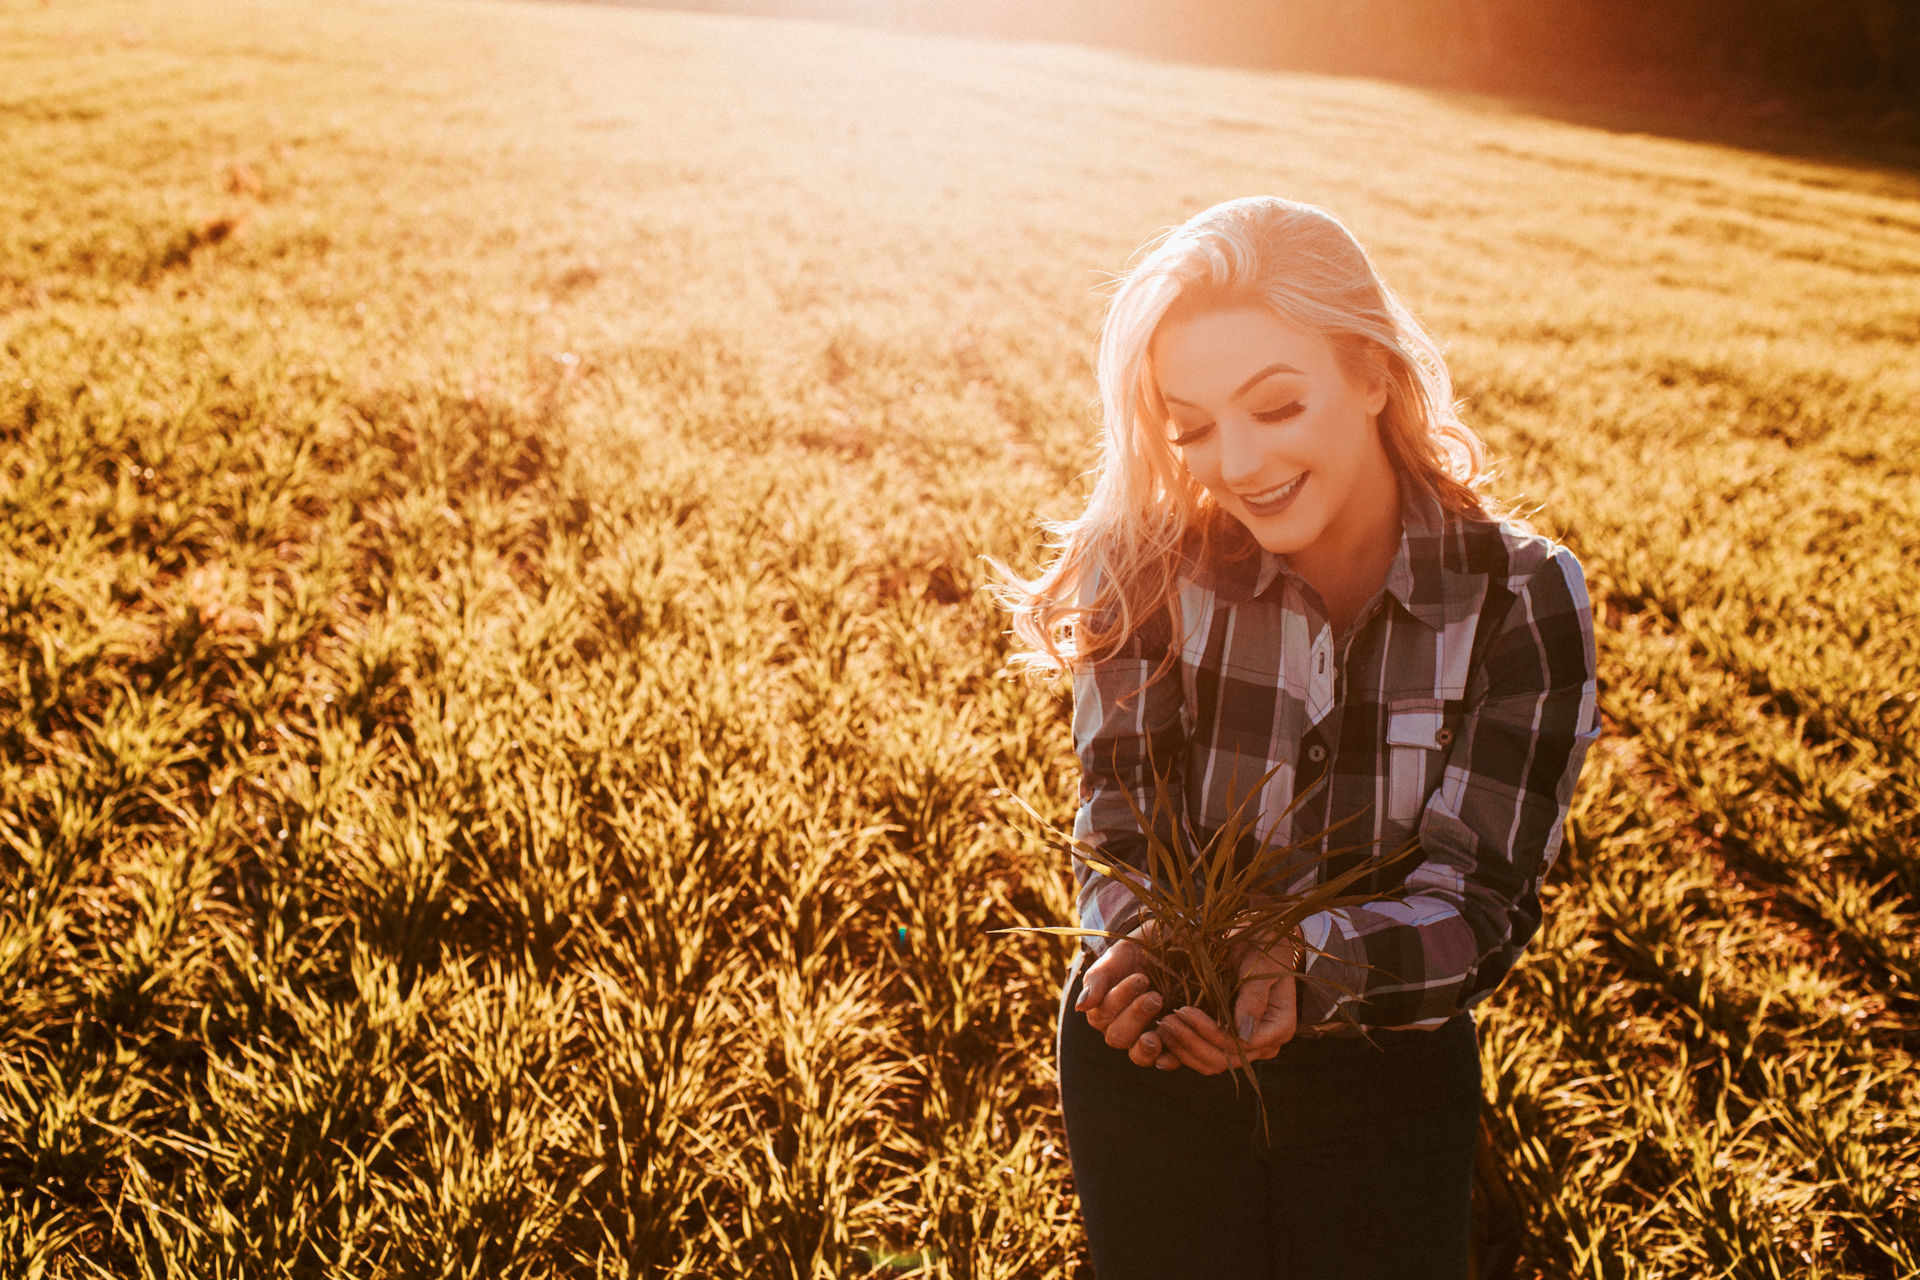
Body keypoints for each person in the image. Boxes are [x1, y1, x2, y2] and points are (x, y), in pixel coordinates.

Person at [999, 197, 1599, 1279]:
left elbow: (1482, 896)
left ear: (1373, 373)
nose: (1235, 460)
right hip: (1153, 1059)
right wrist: (1135, 952)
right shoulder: (1146, 565)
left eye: (1276, 405)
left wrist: (1303, 964)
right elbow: (1121, 819)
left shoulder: (1521, 596)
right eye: (1191, 425)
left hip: (1387, 1073)